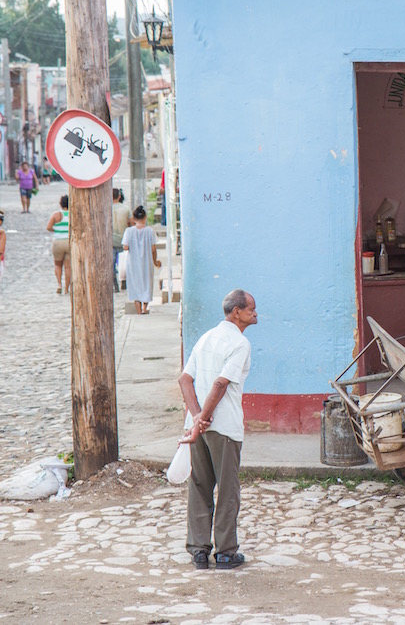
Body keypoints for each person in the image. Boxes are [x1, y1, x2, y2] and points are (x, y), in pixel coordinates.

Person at [177, 289, 257, 570]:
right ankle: (225, 552)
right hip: (223, 427)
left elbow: (185, 379)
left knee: (199, 484)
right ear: (236, 312)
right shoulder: (240, 343)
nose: (255, 313)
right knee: (228, 489)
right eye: (251, 309)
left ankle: (198, 551)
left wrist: (196, 418)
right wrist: (204, 419)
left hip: (198, 426)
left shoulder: (206, 338)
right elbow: (220, 384)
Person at [122, 205, 160, 314]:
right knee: (146, 284)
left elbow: (125, 247)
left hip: (133, 263)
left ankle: (139, 312)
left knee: (135, 285)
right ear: (145, 218)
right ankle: (144, 308)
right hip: (146, 263)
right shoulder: (150, 231)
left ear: (134, 219)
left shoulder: (129, 231)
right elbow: (153, 249)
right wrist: (155, 261)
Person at [46, 194, 70, 294]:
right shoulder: (72, 214)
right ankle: (67, 289)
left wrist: (56, 230)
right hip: (69, 241)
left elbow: (48, 227)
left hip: (58, 242)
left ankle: (59, 284)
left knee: (57, 264)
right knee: (68, 266)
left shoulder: (56, 215)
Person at [112, 188, 134, 293]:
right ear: (119, 196)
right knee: (125, 263)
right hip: (123, 239)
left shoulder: (105, 208)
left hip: (110, 241)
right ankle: (124, 282)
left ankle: (115, 285)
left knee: (111, 265)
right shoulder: (126, 209)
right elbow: (131, 223)